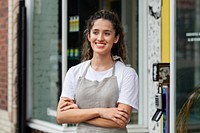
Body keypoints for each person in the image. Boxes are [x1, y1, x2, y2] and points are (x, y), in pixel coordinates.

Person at [56, 9, 139, 133]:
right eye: (95, 32)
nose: (100, 38)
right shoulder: (74, 72)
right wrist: (101, 111)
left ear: (116, 38)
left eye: (107, 33)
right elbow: (61, 116)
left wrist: (78, 114)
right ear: (89, 36)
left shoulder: (127, 74)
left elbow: (121, 121)